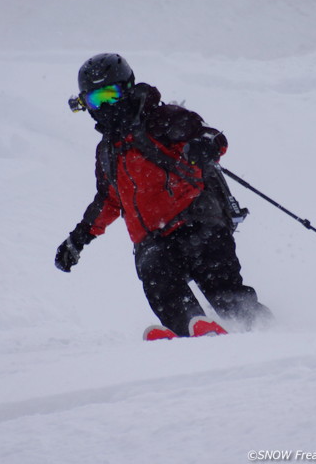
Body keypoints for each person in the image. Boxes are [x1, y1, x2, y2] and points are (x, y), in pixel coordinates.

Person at [55, 53, 272, 339]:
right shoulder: (107, 151)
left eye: (111, 94)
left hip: (198, 222)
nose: (106, 106)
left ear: (128, 89)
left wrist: (203, 147)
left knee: (225, 294)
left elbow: (212, 138)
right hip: (153, 240)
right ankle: (190, 326)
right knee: (155, 273)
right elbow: (108, 200)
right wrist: (78, 238)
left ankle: (267, 330)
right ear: (85, 105)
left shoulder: (162, 119)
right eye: (96, 100)